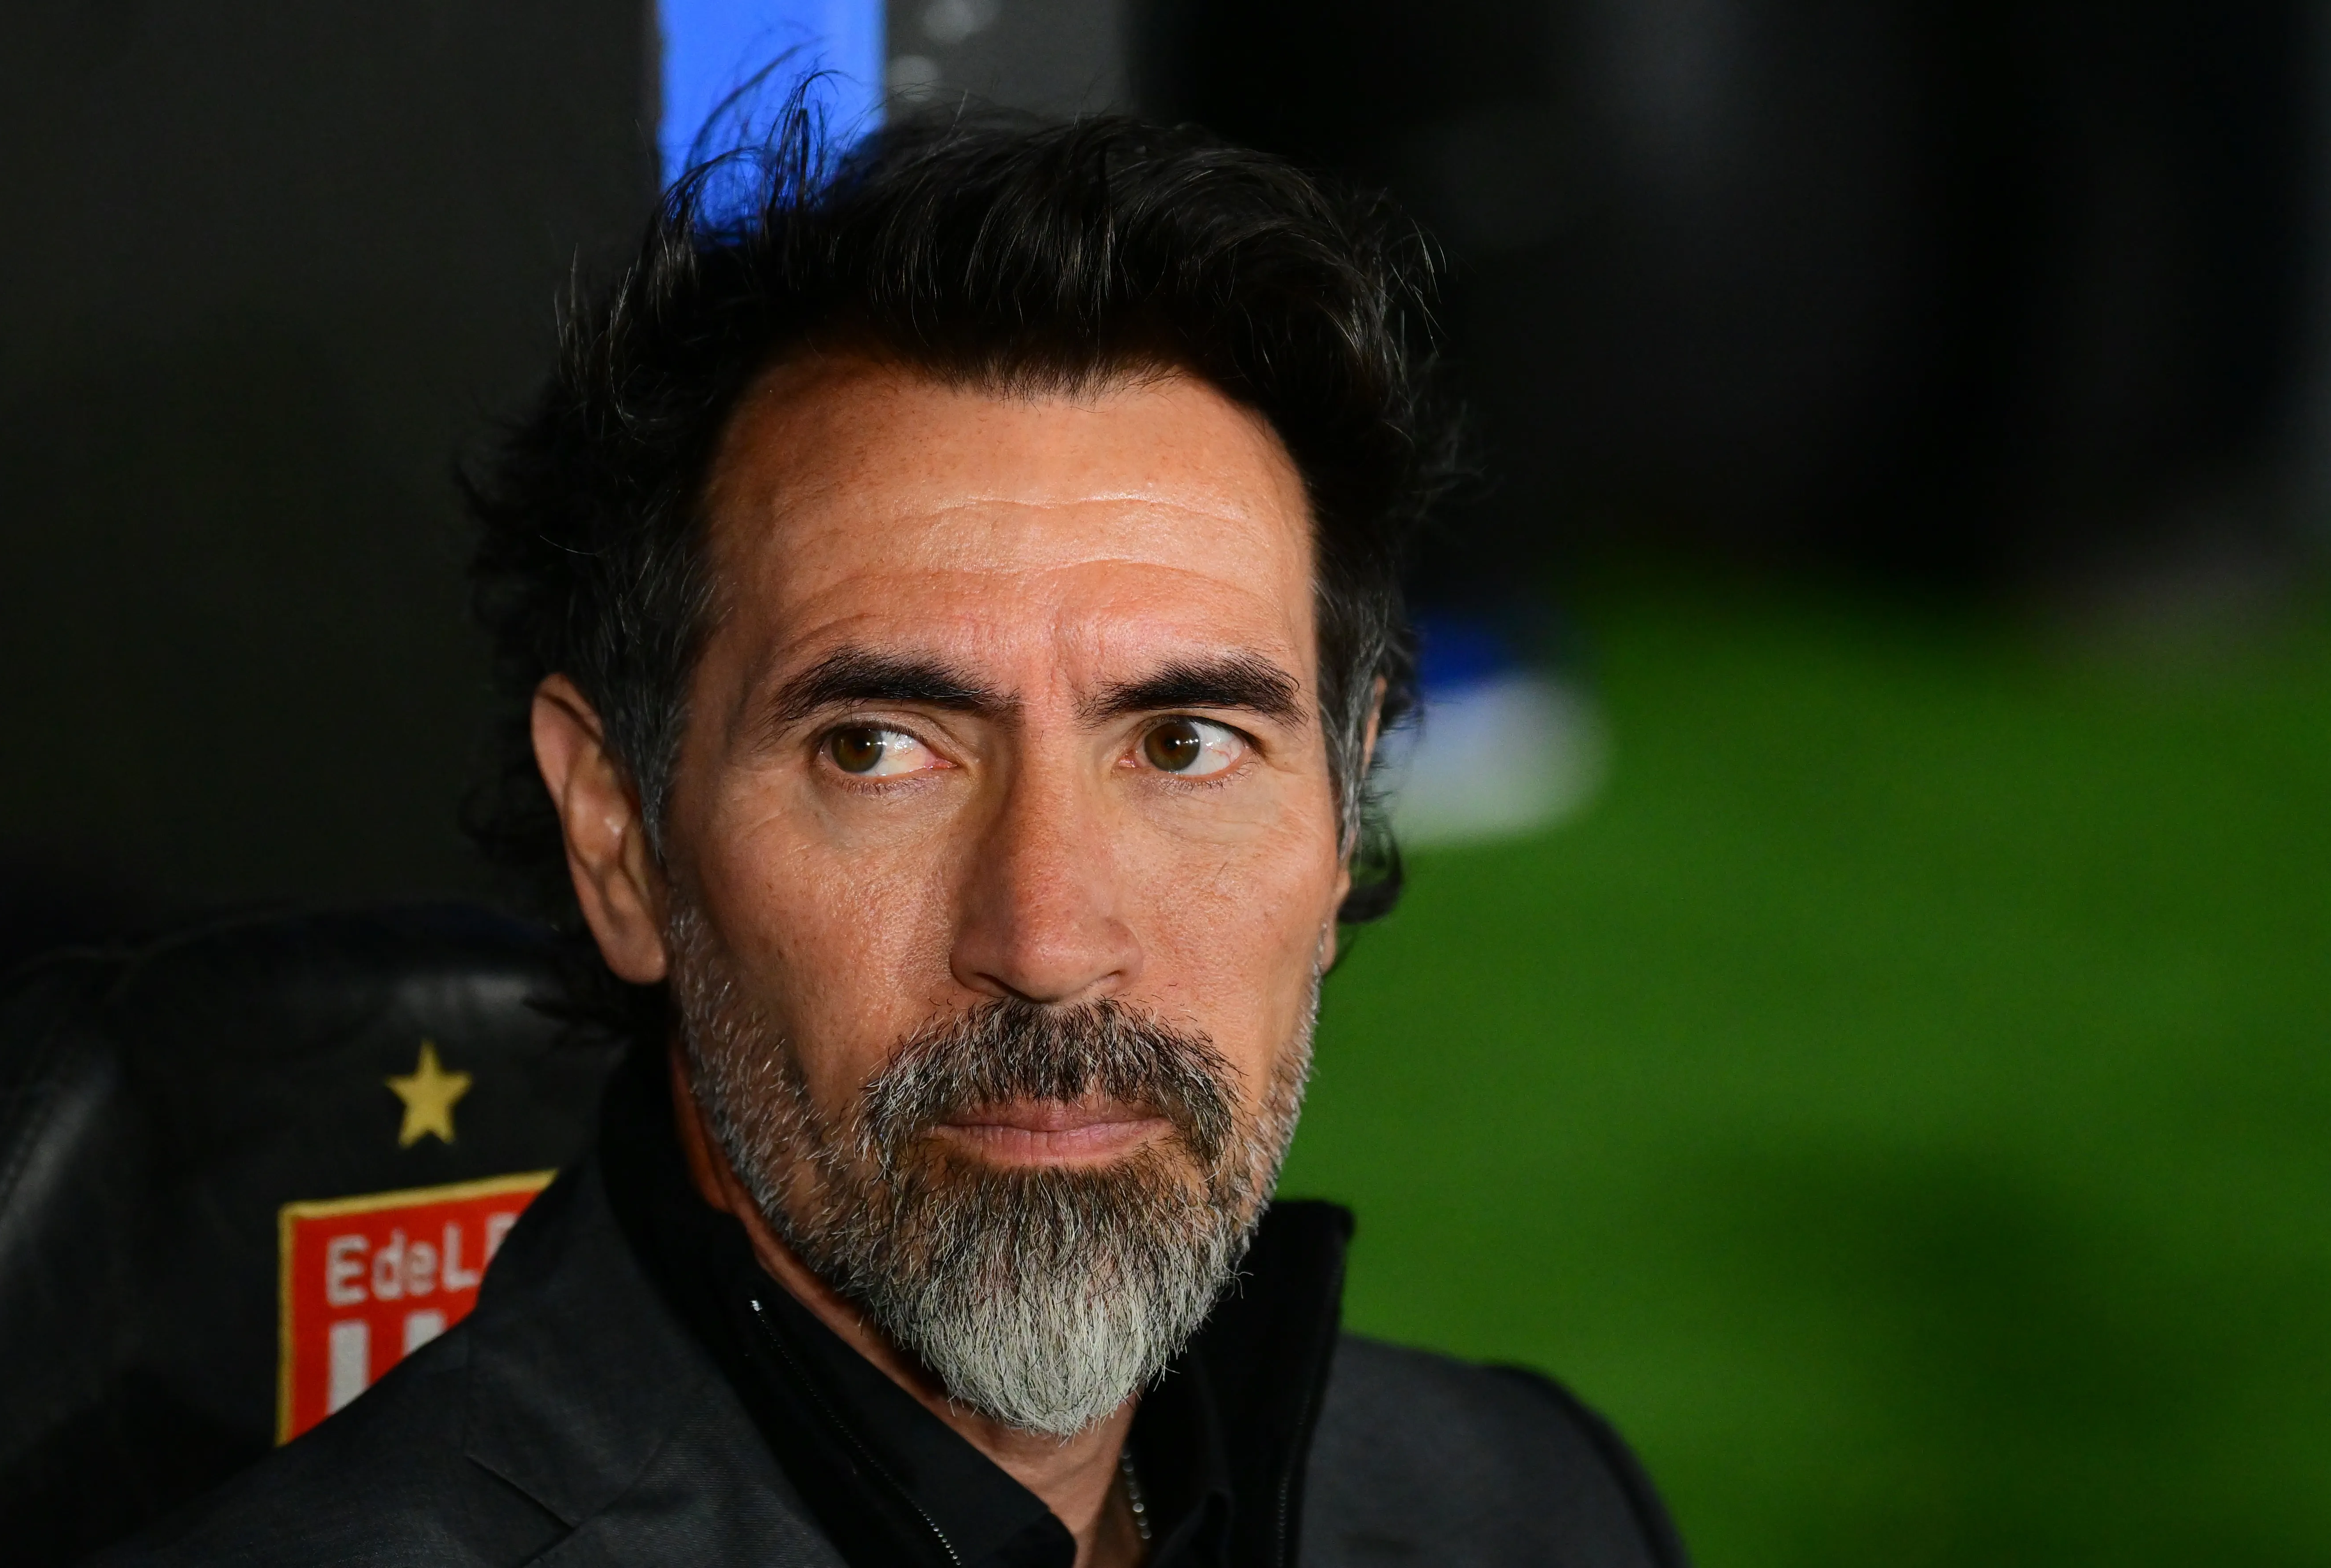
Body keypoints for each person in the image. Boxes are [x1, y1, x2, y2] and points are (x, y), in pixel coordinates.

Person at [101, 110, 1688, 1568]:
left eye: (1185, 743)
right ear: (621, 838)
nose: (1049, 939)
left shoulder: (1531, 1505)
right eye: (879, 751)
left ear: (1344, 808)